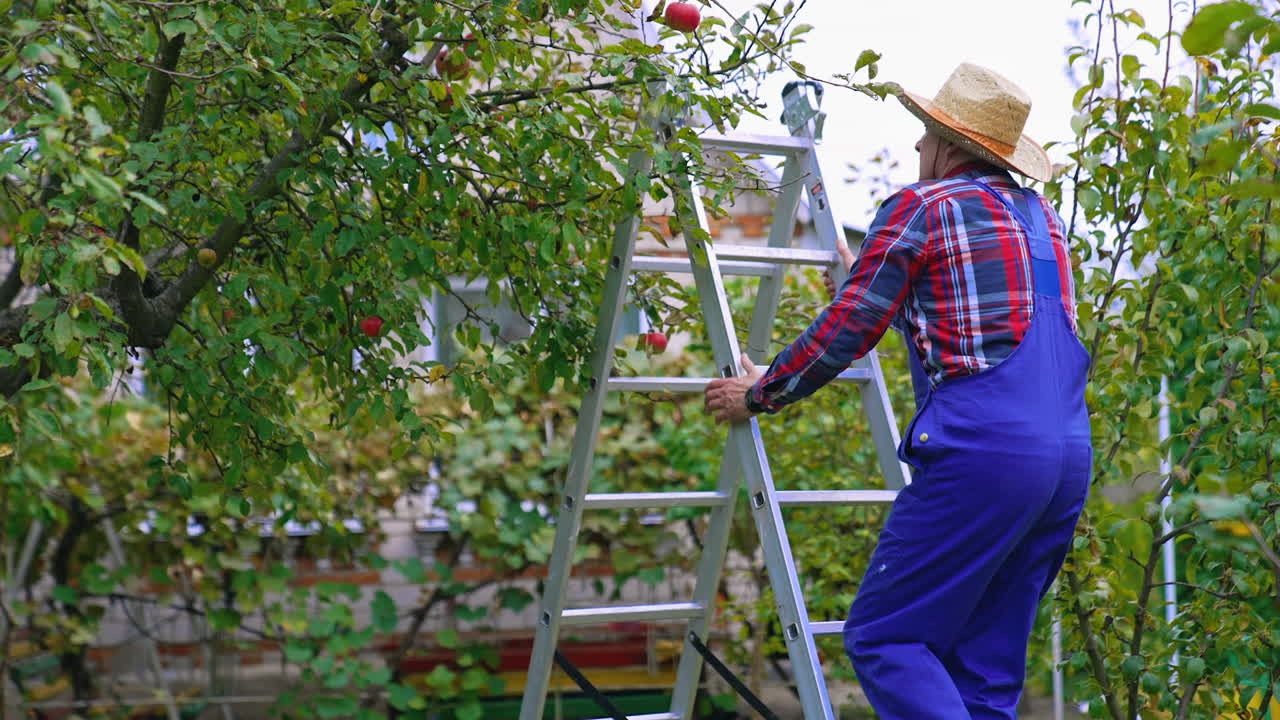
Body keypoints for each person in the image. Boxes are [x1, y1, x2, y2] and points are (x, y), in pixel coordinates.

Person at [703, 62, 1092, 719]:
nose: (918, 146)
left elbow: (846, 331)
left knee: (887, 637)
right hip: (1065, 462)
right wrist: (882, 279)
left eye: (926, 133)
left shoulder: (924, 207)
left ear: (949, 145)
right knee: (985, 668)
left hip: (985, 457)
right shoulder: (1040, 219)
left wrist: (759, 391)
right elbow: (991, 331)